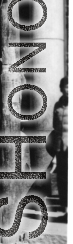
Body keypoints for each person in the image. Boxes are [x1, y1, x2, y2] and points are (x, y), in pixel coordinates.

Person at [53, 77, 68, 219]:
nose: (68, 90)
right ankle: (65, 205)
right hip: (61, 147)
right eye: (66, 87)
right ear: (61, 88)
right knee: (62, 178)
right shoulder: (58, 105)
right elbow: (54, 126)